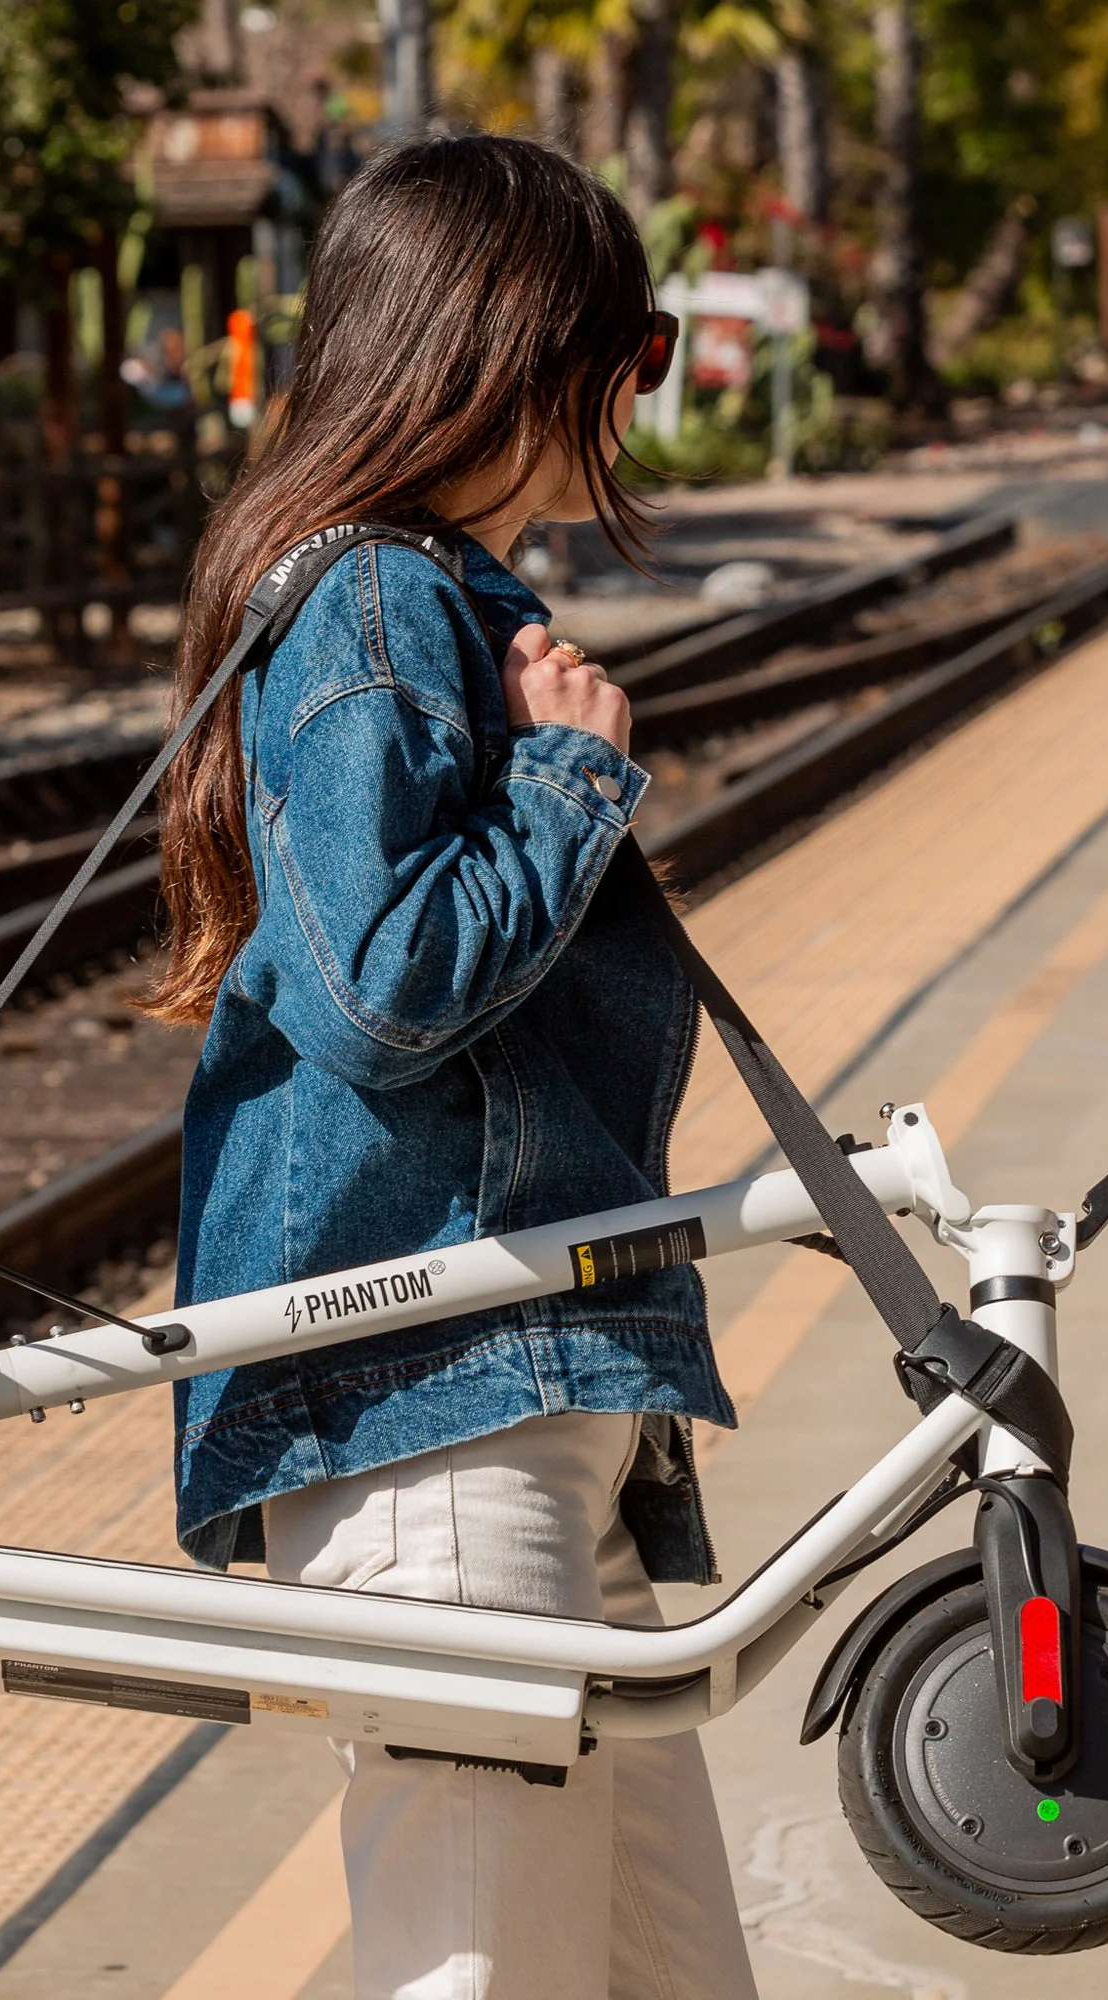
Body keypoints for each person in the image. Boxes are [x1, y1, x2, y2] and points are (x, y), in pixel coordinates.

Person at [147, 135, 758, 2000]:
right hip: (437, 1405)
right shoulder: (374, 596)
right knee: (476, 1964)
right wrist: (569, 776)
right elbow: (383, 993)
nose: (640, 395)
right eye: (629, 347)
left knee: (653, 1975)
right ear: (510, 350)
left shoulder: (433, 597)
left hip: (519, 1398)